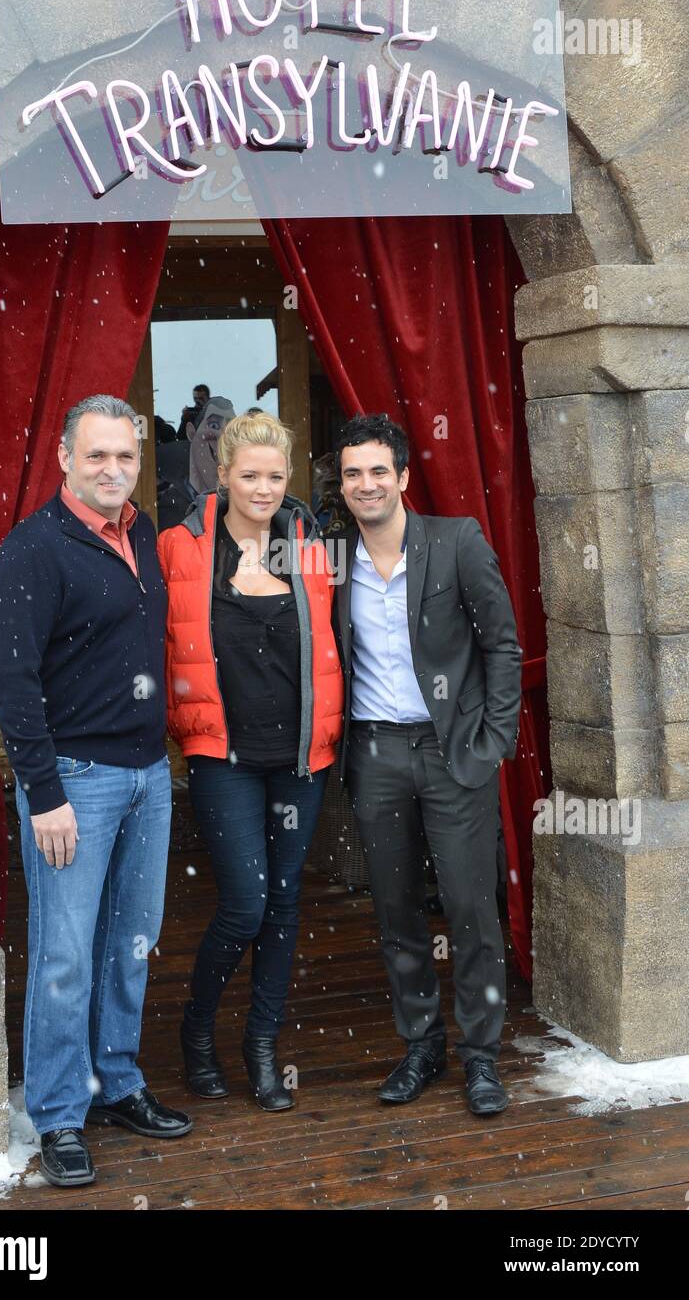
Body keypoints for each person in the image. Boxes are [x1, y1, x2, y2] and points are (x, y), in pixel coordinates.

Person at [0, 394, 192, 1189]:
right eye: (97, 456)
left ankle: (116, 1081)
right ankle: (60, 1112)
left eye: (126, 456)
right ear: (66, 459)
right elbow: (12, 680)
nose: (113, 470)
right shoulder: (34, 547)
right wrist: (42, 794)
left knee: (130, 943)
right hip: (73, 779)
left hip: (147, 775)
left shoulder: (139, 531)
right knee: (65, 957)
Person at [331, 413, 522, 1116]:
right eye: (352, 472)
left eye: (378, 470)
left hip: (453, 754)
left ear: (403, 476)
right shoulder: (331, 558)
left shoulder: (455, 541)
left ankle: (480, 1056)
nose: (366, 484)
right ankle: (420, 1045)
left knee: (472, 909)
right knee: (396, 910)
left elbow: (501, 645)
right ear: (341, 483)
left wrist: (492, 741)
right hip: (374, 752)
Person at [157, 412, 344, 1111]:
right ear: (223, 474)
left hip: (300, 757)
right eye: (249, 475)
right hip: (222, 754)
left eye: (275, 476)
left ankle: (261, 1045)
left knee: (285, 903)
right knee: (243, 903)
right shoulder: (181, 546)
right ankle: (197, 1031)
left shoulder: (310, 547)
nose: (262, 488)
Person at [157, 395, 235, 531]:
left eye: (231, 429)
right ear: (191, 432)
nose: (223, 435)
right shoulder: (169, 504)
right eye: (214, 425)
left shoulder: (238, 504)